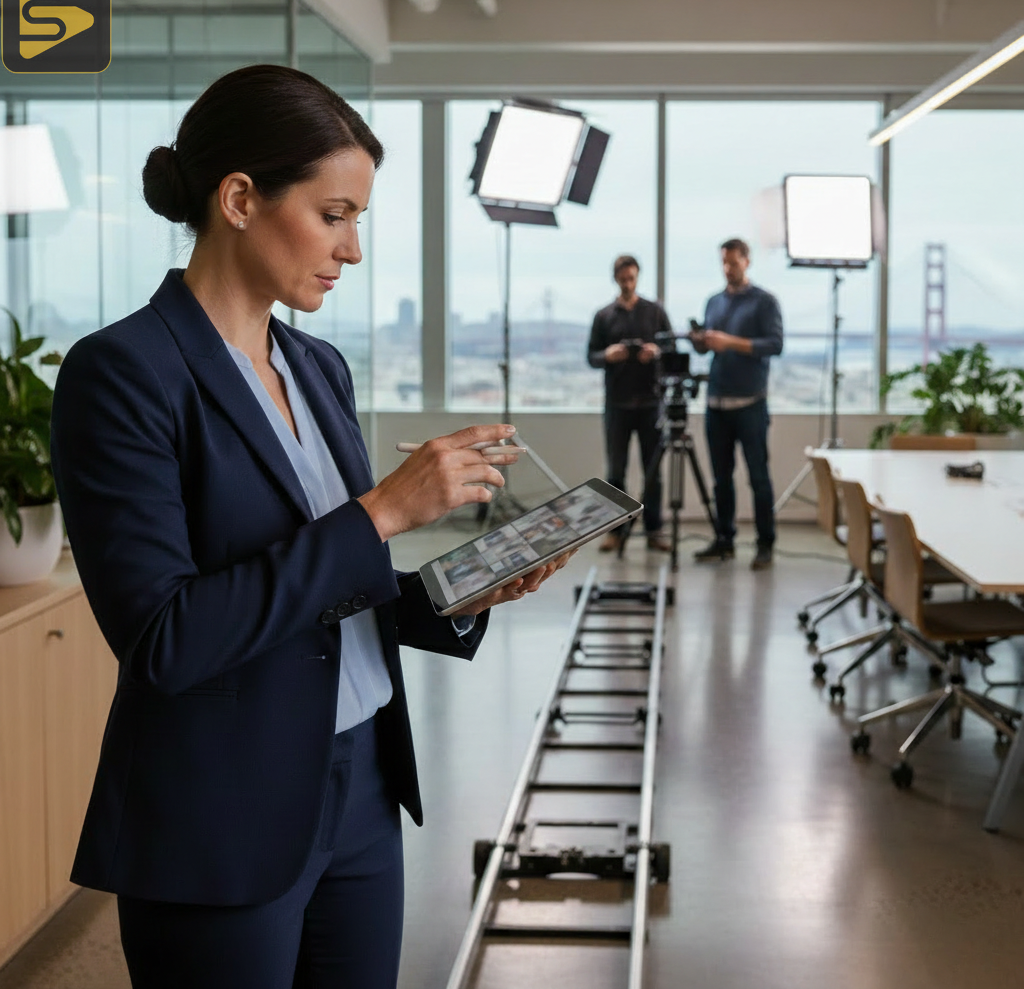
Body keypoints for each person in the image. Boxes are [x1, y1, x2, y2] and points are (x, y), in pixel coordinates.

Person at [49, 65, 570, 989]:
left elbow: (329, 588)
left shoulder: (318, 365)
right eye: (334, 215)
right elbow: (165, 637)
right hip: (223, 811)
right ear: (241, 199)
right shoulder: (123, 372)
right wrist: (384, 511)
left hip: (363, 786)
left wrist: (451, 594)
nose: (352, 249)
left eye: (357, 220)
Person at [691, 238, 784, 570]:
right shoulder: (713, 302)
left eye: (733, 262)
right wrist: (702, 342)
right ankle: (724, 540)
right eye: (724, 262)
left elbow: (774, 344)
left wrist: (729, 341)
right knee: (721, 480)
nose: (728, 268)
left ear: (747, 261)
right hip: (716, 403)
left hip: (750, 404)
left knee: (758, 477)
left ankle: (765, 544)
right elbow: (709, 349)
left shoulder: (764, 302)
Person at [587, 255, 673, 552]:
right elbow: (591, 356)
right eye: (623, 279)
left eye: (632, 278)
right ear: (616, 279)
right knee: (615, 472)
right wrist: (609, 355)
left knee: (653, 472)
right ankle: (616, 531)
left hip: (650, 403)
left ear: (638, 277)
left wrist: (656, 351)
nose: (627, 284)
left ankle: (654, 530)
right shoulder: (604, 316)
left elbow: (671, 346)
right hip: (618, 404)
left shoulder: (654, 312)